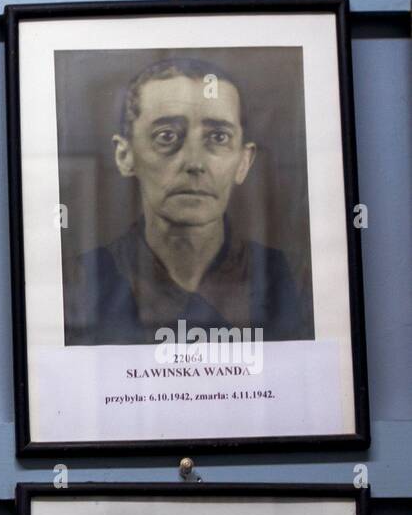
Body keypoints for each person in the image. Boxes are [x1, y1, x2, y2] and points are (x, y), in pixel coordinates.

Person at [63, 56, 312, 345]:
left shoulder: (295, 283)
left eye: (218, 137)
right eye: (166, 136)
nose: (194, 162)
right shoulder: (78, 282)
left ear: (244, 161)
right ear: (125, 155)